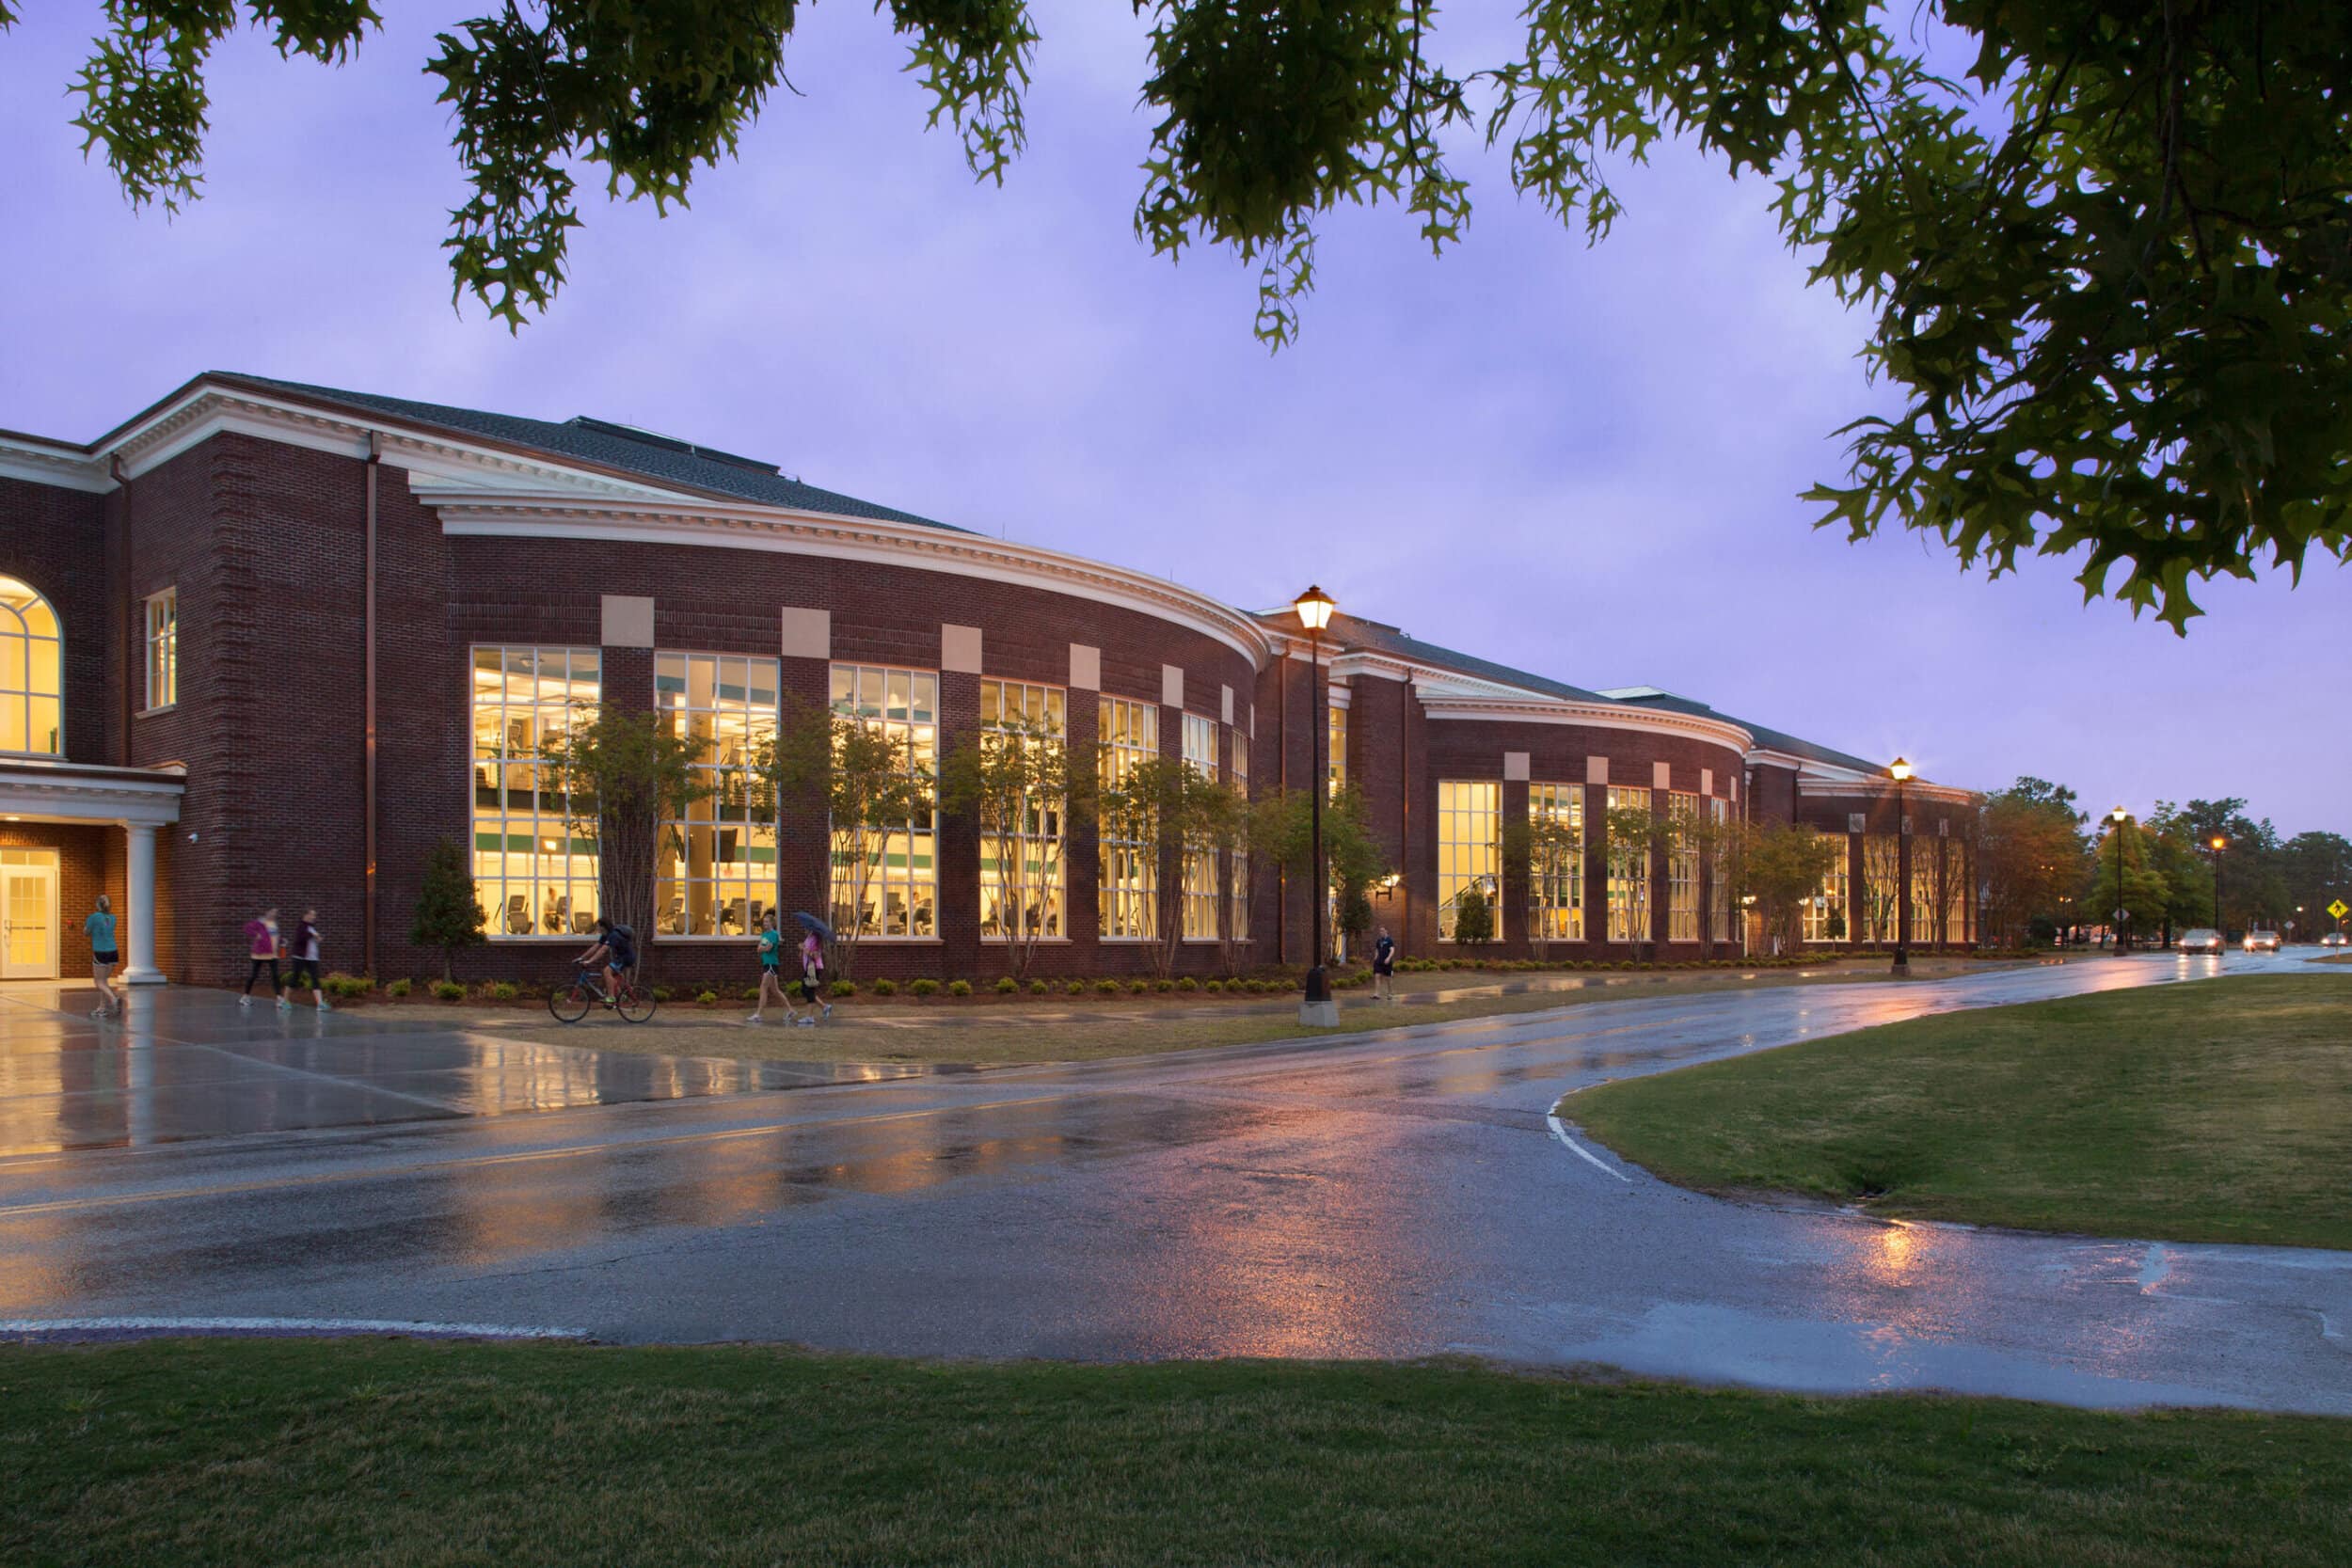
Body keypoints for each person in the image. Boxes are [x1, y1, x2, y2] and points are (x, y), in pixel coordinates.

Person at [746, 910, 799, 1026]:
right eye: (764, 922)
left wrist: (763, 948)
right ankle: (790, 1010)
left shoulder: (774, 934)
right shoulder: (764, 935)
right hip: (766, 963)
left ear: (772, 923)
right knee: (775, 990)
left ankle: (758, 1014)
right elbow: (759, 948)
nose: (764, 924)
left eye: (767, 922)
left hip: (771, 964)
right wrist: (763, 948)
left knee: (763, 987)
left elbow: (768, 948)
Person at [574, 914, 636, 1006]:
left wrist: (590, 961)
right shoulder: (605, 935)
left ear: (603, 927)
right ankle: (620, 998)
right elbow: (595, 947)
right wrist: (582, 958)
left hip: (626, 957)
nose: (597, 928)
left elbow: (602, 950)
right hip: (620, 957)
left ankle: (611, 998)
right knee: (608, 977)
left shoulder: (613, 935)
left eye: (598, 926)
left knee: (606, 971)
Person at [240, 907, 287, 1011]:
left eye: (276, 912)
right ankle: (245, 997)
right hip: (259, 954)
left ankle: (279, 998)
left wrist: (282, 940)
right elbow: (247, 928)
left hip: (272, 954)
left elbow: (275, 936)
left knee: (275, 976)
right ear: (267, 912)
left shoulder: (275, 924)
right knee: (254, 975)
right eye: (272, 912)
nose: (274, 914)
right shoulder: (260, 922)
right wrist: (256, 934)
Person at [86, 894, 122, 1020]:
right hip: (113, 951)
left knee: (99, 982)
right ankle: (102, 1008)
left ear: (97, 904)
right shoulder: (113, 918)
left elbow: (86, 932)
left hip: (100, 951)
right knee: (104, 981)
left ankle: (114, 999)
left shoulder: (94, 917)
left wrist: (89, 930)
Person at [288, 908, 329, 1011]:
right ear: (305, 915)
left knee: (315, 979)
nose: (314, 917)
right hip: (300, 957)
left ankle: (320, 1003)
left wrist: (318, 938)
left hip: (312, 958)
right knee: (295, 978)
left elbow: (313, 940)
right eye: (312, 915)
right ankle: (284, 1000)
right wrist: (313, 935)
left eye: (315, 915)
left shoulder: (312, 927)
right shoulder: (301, 926)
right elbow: (300, 938)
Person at [798, 927, 833, 1022]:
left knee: (809, 991)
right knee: (805, 990)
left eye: (806, 927)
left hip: (814, 968)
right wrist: (801, 949)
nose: (804, 928)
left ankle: (809, 1017)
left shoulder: (816, 938)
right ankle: (825, 1007)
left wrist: (804, 949)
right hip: (808, 968)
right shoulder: (808, 938)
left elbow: (816, 955)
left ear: (811, 928)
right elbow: (803, 954)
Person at [1372, 926, 1396, 1004]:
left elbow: (1392, 950)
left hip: (1387, 962)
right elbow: (1377, 950)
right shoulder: (1379, 941)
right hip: (1379, 962)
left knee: (1388, 978)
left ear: (1386, 931)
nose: (1381, 932)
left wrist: (1388, 958)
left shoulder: (1389, 940)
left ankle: (1390, 993)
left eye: (1382, 931)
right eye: (1380, 931)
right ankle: (1377, 994)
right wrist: (1375, 959)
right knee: (1377, 976)